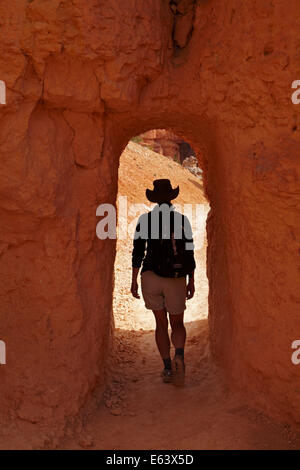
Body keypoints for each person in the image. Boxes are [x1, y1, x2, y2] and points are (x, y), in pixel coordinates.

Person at [131, 179, 196, 386]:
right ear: (171, 197)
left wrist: (134, 280)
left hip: (150, 276)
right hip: (175, 278)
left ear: (154, 200)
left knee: (160, 324)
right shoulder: (182, 220)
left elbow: (138, 252)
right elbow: (189, 252)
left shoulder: (145, 220)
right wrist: (191, 280)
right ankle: (179, 355)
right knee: (177, 323)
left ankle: (167, 368)